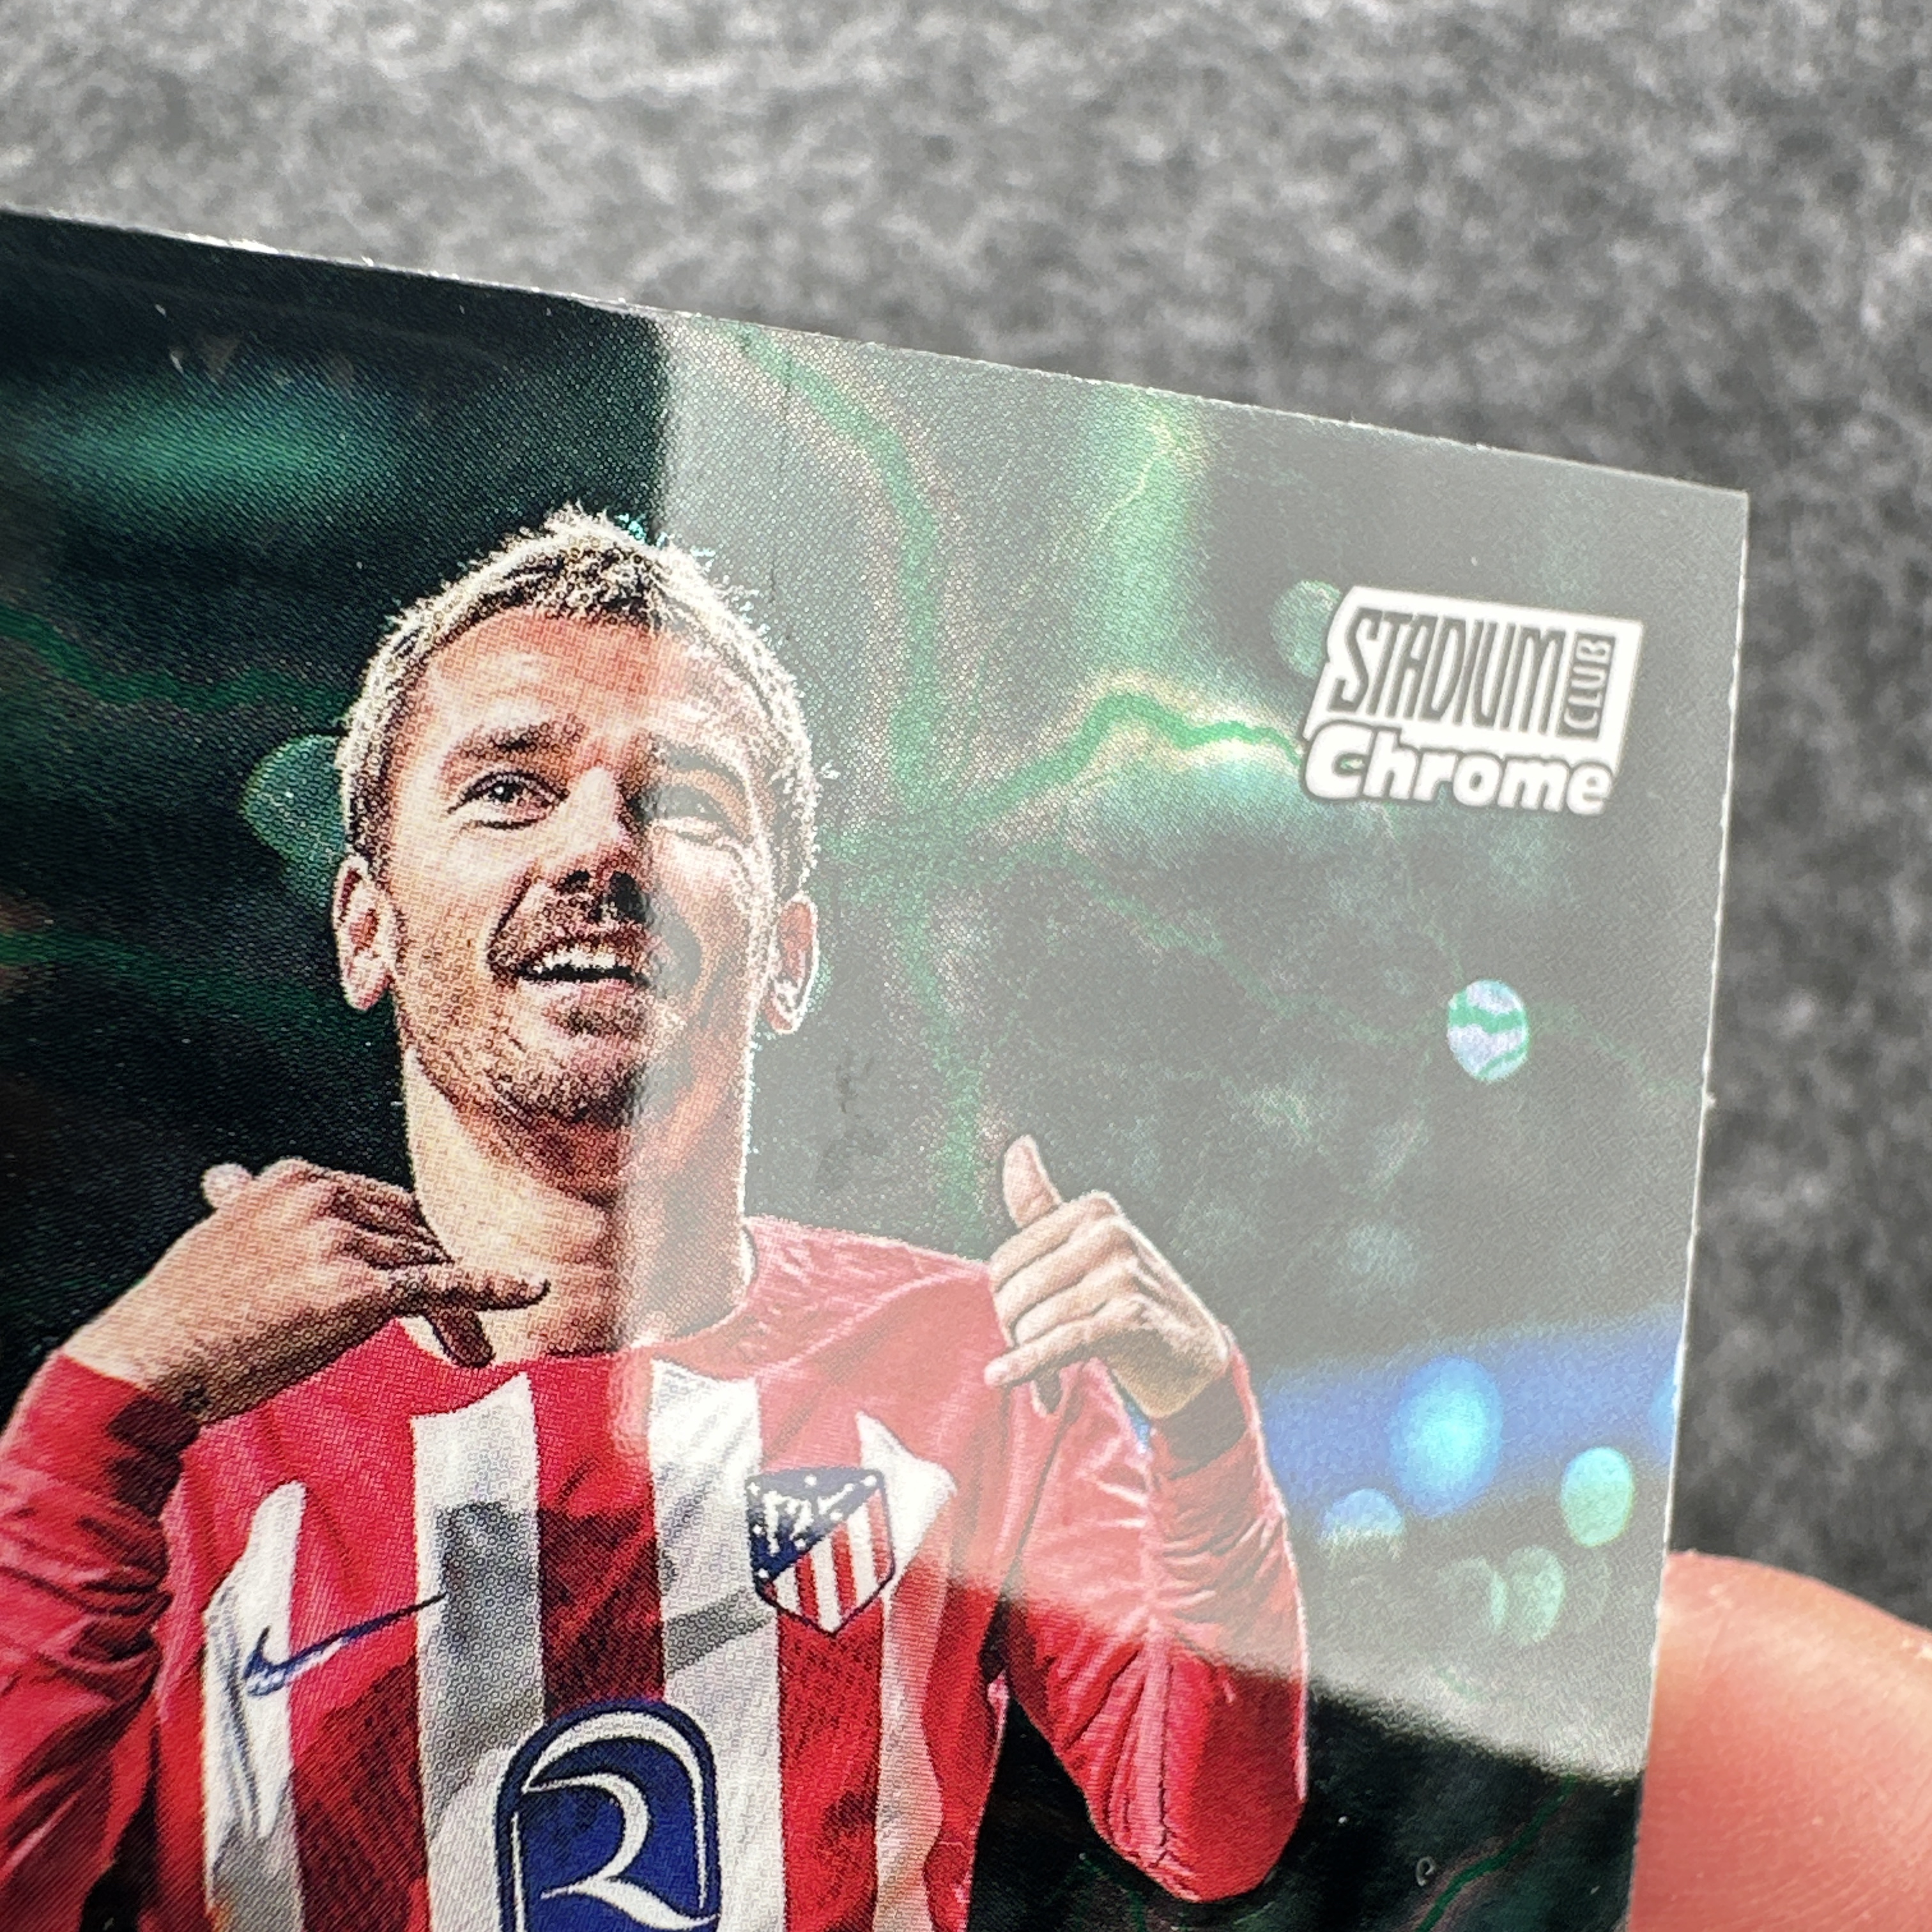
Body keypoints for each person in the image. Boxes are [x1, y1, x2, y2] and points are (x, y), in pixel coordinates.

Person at [0, 510, 1307, 1932]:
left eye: (683, 801)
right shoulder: (187, 1422)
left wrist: (1201, 1419)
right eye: (509, 790)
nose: (598, 849)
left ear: (789, 958)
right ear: (366, 927)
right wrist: (104, 1401)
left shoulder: (966, 1360)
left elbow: (1208, 1831)